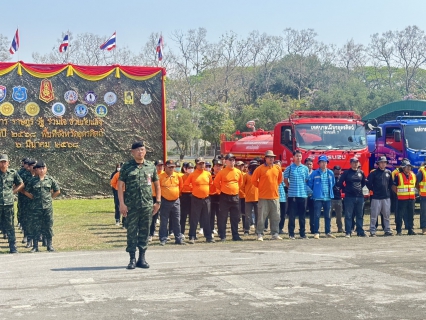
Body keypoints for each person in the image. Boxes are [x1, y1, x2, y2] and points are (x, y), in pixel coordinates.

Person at [118, 141, 160, 270]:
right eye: (137, 150)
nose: (140, 152)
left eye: (142, 149)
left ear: (145, 151)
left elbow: (157, 185)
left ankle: (142, 258)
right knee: (131, 232)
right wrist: (122, 204)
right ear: (132, 152)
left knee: (145, 231)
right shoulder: (127, 167)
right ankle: (132, 258)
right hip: (131, 206)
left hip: (147, 205)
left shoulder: (150, 166)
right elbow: (120, 186)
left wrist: (158, 201)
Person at [23, 161, 60, 252]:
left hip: (47, 208)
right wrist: (32, 197)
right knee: (36, 226)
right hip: (36, 208)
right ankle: (35, 246)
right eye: (40, 168)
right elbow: (25, 191)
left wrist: (50, 198)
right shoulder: (32, 180)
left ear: (46, 169)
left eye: (43, 168)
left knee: (48, 225)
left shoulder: (50, 179)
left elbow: (57, 190)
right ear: (36, 170)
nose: (42, 170)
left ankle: (49, 245)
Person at [252, 150, 283, 241]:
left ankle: (275, 233)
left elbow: (279, 180)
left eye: (272, 157)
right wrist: (261, 187)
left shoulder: (277, 168)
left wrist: (273, 186)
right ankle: (260, 233)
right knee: (261, 216)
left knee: (276, 216)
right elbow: (254, 180)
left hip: (275, 196)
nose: (271, 159)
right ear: (265, 158)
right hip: (263, 197)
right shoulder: (260, 168)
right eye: (269, 157)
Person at [184, 157, 215, 244]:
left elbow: (211, 184)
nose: (202, 165)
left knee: (207, 218)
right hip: (196, 198)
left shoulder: (208, 174)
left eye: (203, 163)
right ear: (196, 165)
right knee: (194, 218)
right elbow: (186, 185)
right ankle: (192, 236)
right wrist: (194, 189)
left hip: (206, 198)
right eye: (200, 164)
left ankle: (208, 236)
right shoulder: (192, 175)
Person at [214, 153, 244, 241]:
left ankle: (235, 235)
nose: (232, 162)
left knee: (235, 217)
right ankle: (222, 236)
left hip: (235, 196)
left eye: (233, 160)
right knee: (223, 217)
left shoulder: (238, 172)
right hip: (224, 197)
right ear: (225, 161)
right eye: (230, 160)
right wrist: (223, 189)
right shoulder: (222, 172)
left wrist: (234, 189)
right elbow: (216, 183)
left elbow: (240, 183)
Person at [337, 157, 368, 238]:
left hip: (360, 197)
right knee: (348, 215)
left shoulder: (361, 172)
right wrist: (345, 190)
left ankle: (360, 231)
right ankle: (348, 232)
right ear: (350, 164)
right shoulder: (346, 173)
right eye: (353, 162)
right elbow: (340, 183)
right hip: (349, 197)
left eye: (356, 162)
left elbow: (364, 183)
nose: (355, 164)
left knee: (360, 215)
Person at [307, 155, 336, 239]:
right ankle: (316, 232)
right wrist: (314, 192)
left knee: (328, 215)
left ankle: (328, 232)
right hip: (317, 198)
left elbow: (333, 183)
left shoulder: (330, 173)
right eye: (322, 162)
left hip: (328, 198)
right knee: (317, 215)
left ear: (327, 163)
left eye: (325, 162)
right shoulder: (314, 173)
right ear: (319, 163)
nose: (323, 164)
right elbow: (309, 184)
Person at [0, 154, 24, 253]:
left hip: (8, 204)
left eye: (4, 162)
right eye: (1, 162)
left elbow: (21, 183)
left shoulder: (12, 173)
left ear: (8, 163)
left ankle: (13, 247)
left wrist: (13, 192)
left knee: (10, 226)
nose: (3, 164)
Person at [284, 150, 310, 240]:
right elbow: (285, 180)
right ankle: (291, 233)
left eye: (300, 156)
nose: (298, 158)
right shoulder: (289, 168)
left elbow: (306, 180)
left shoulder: (305, 168)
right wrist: (289, 186)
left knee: (302, 215)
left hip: (303, 195)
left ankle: (302, 233)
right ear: (293, 157)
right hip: (292, 195)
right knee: (292, 215)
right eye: (297, 156)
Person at [158, 160, 185, 245]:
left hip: (176, 201)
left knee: (177, 220)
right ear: (165, 167)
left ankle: (178, 238)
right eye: (169, 167)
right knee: (164, 221)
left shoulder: (177, 176)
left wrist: (176, 195)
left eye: (173, 167)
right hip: (165, 201)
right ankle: (163, 238)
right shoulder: (160, 176)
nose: (171, 168)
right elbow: (157, 188)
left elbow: (181, 187)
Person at [366, 156, 394, 237]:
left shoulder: (388, 172)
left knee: (386, 215)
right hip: (376, 197)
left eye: (384, 162)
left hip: (386, 197)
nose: (383, 164)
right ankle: (372, 231)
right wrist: (373, 190)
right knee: (374, 215)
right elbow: (368, 183)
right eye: (381, 162)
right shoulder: (373, 173)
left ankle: (387, 230)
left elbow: (391, 184)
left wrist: (388, 191)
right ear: (378, 164)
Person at [393, 160, 416, 236]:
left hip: (411, 198)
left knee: (411, 215)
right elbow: (393, 186)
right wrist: (398, 193)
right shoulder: (398, 175)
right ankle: (399, 231)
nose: (409, 168)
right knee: (399, 215)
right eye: (407, 167)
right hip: (402, 199)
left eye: (410, 167)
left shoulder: (413, 175)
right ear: (403, 168)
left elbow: (415, 185)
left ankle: (410, 229)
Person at [242, 160, 259, 235]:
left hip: (258, 198)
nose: (254, 168)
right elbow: (242, 186)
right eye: (253, 166)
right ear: (250, 167)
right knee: (248, 215)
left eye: (256, 166)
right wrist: (245, 194)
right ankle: (246, 230)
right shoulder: (246, 175)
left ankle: (257, 230)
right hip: (248, 199)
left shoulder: (259, 176)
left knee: (258, 215)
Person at [148, 160, 164, 241]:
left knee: (163, 217)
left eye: (161, 165)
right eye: (158, 165)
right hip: (153, 197)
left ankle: (164, 234)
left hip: (163, 197)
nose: (160, 167)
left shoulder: (164, 174)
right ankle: (151, 233)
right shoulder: (151, 175)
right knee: (153, 216)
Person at [180, 162, 194, 236]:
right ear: (185, 169)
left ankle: (192, 234)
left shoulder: (195, 176)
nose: (190, 169)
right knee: (183, 215)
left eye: (192, 168)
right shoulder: (182, 177)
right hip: (184, 196)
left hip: (193, 196)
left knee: (192, 216)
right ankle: (181, 232)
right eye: (189, 168)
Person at [209, 159, 223, 235]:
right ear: (213, 167)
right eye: (217, 166)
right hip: (211, 196)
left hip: (221, 196)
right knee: (211, 214)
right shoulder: (209, 175)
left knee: (220, 215)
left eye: (220, 166)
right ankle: (211, 229)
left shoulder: (223, 175)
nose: (218, 168)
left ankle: (221, 231)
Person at [331, 165, 343, 233]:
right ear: (333, 171)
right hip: (331, 199)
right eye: (336, 173)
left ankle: (340, 228)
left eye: (338, 172)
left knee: (339, 216)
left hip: (339, 199)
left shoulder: (341, 178)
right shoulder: (330, 178)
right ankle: (328, 229)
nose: (337, 174)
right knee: (328, 216)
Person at [304, 157, 315, 234]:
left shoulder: (315, 173)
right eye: (307, 164)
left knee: (313, 213)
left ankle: (313, 229)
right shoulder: (302, 172)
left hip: (312, 195)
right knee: (303, 212)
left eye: (310, 164)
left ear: (312, 165)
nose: (309, 165)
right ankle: (302, 229)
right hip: (303, 195)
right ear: (305, 165)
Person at [416, 161, 426, 235]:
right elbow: (416, 183)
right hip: (424, 196)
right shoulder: (422, 171)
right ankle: (424, 228)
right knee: (424, 213)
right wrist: (420, 190)